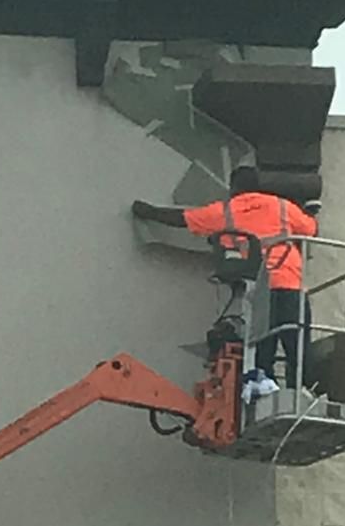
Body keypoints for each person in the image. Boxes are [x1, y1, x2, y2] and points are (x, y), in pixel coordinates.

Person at [132, 166, 318, 399]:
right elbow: (312, 229)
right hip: (291, 284)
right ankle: (304, 395)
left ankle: (264, 394)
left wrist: (147, 211)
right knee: (298, 346)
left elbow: (182, 219)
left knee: (262, 346)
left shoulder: (227, 211)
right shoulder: (280, 206)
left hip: (259, 289)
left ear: (234, 188)